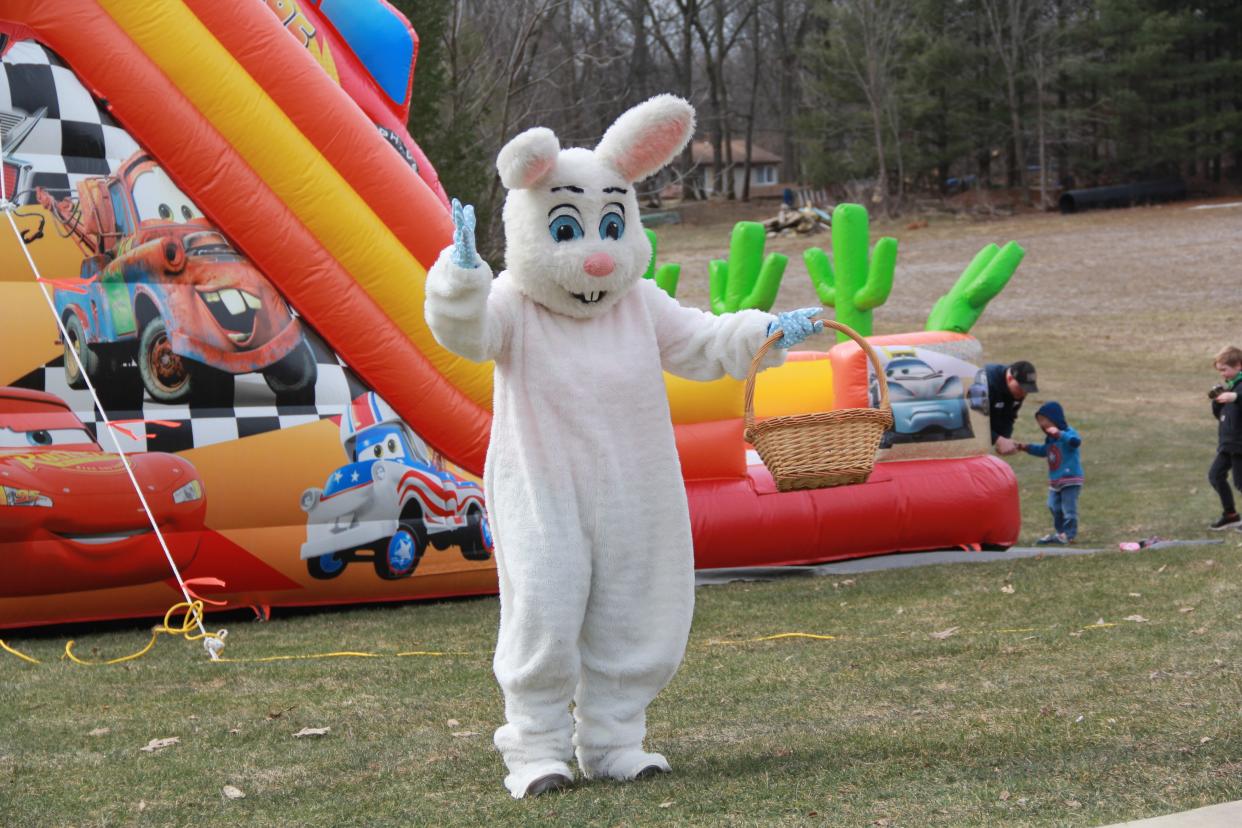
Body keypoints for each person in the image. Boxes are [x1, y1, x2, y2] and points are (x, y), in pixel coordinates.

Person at [1015, 401, 1083, 545]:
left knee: (1068, 509)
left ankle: (1069, 535)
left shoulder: (1068, 432)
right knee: (1053, 506)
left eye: (1044, 420)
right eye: (1040, 421)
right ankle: (1060, 533)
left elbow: (1075, 442)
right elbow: (1043, 451)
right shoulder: (1050, 439)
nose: (1042, 424)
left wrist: (1060, 434)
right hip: (1056, 480)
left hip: (1070, 478)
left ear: (1055, 419)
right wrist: (1025, 447)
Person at [1206, 346, 1242, 530]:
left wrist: (1235, 396)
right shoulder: (1232, 387)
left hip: (1240, 445)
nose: (1222, 374)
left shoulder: (1238, 389)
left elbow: (1239, 397)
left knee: (1240, 483)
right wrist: (1217, 400)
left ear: (1238, 366)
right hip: (1228, 444)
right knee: (1215, 475)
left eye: (1224, 369)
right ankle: (1231, 515)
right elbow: (1221, 414)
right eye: (1219, 370)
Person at [985, 360, 1038, 455]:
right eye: (1021, 388)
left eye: (1028, 390)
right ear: (1010, 378)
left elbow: (1009, 416)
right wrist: (998, 439)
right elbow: (972, 421)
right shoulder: (986, 383)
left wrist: (1006, 439)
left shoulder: (1018, 392)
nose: (1024, 393)